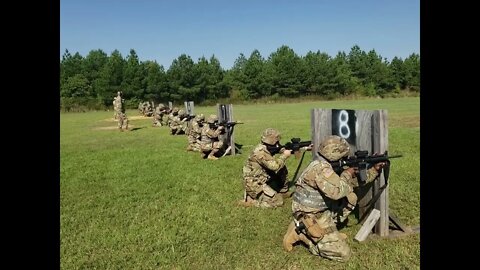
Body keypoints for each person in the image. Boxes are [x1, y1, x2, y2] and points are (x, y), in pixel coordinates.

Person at [282, 135, 385, 262]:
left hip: (318, 210)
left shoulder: (324, 163)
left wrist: (374, 170)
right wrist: (348, 173)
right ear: (336, 155)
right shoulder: (322, 169)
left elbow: (349, 184)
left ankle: (329, 232)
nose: (346, 158)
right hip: (310, 215)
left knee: (351, 197)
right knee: (343, 254)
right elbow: (337, 192)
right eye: (344, 155)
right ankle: (304, 236)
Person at [241, 128, 293, 208]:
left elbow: (278, 149)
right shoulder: (260, 152)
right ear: (273, 141)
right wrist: (284, 156)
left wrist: (303, 148)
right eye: (277, 142)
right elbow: (274, 166)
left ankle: (283, 191)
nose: (278, 144)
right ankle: (252, 202)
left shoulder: (266, 147)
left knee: (282, 168)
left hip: (262, 178)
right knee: (278, 202)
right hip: (255, 183)